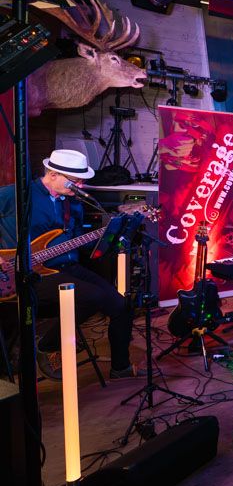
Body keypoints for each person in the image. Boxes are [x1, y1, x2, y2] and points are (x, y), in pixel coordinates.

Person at [0, 149, 142, 380]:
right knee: (92, 296)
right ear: (53, 174)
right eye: (75, 181)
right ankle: (47, 344)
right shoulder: (17, 195)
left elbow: (74, 242)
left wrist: (106, 240)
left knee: (121, 305)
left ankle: (121, 367)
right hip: (28, 273)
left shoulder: (72, 204)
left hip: (67, 267)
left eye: (81, 181)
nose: (80, 187)